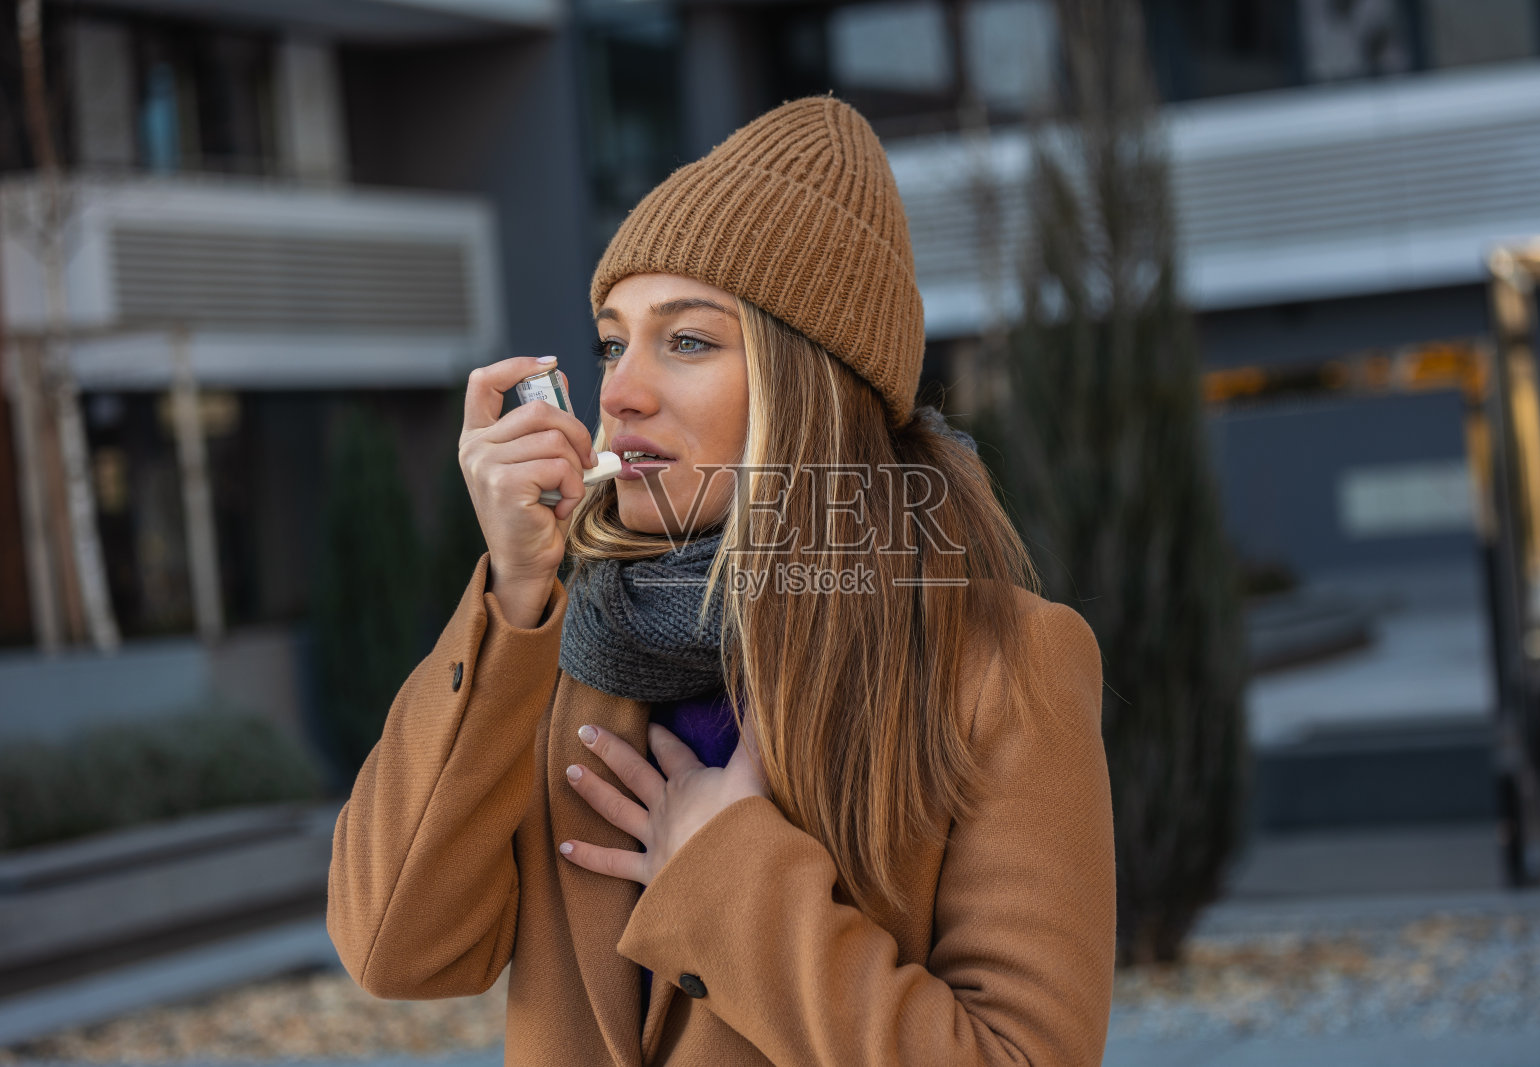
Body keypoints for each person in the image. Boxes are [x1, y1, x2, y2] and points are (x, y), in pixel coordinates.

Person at [327, 95, 1115, 1066]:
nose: (620, 391)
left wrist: (729, 868)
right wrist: (513, 592)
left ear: (811, 381)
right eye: (613, 341)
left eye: (688, 340)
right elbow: (394, 948)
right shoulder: (559, 649)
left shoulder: (1000, 664)